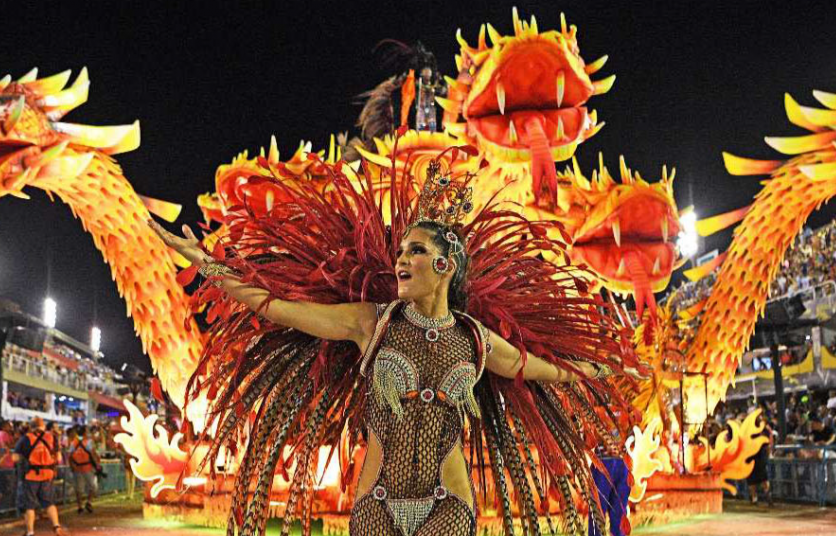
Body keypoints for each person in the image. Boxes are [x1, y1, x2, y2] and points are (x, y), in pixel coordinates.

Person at [150, 155, 642, 536]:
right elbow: (278, 306)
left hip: (449, 507)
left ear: (446, 266)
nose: (401, 260)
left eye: (416, 251)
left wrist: (605, 369)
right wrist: (208, 264)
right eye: (401, 251)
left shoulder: (474, 338)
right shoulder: (372, 323)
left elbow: (540, 368)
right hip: (376, 507)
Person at [15, 416, 67, 536]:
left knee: (29, 505)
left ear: (31, 426)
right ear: (43, 426)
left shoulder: (26, 438)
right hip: (48, 475)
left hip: (31, 476)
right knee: (49, 503)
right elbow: (59, 458)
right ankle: (56, 527)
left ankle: (30, 531)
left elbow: (15, 457)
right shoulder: (52, 437)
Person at [67, 426, 100, 513]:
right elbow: (93, 454)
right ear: (85, 433)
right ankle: (88, 502)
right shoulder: (88, 442)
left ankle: (80, 506)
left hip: (77, 468)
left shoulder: (73, 443)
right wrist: (97, 465)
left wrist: (72, 466)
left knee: (79, 489)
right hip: (87, 468)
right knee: (93, 486)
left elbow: (69, 456)